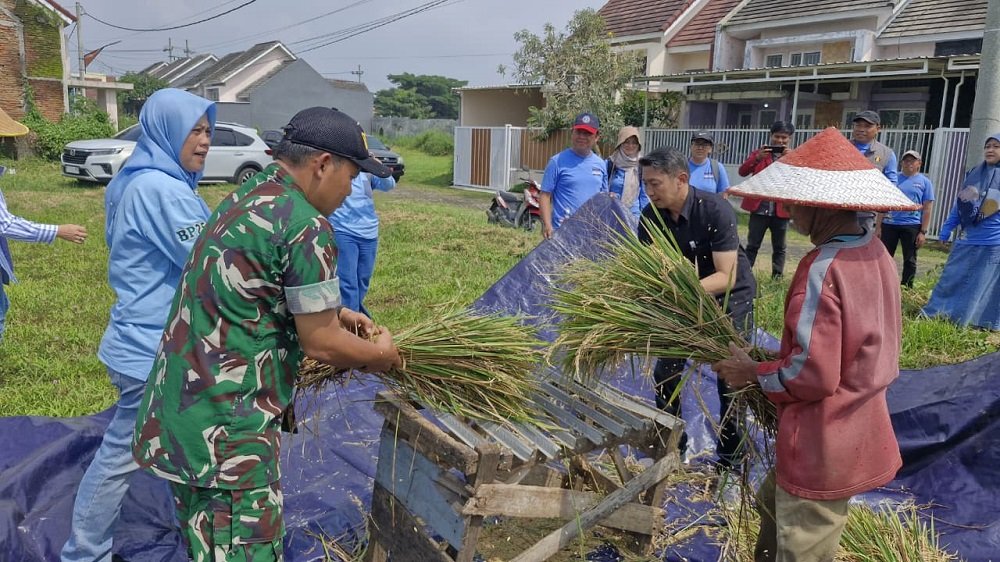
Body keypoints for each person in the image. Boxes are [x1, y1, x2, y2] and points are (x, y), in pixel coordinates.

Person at [132, 107, 402, 561]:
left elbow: (262, 292)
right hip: (228, 438)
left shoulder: (250, 194)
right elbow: (321, 342)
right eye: (352, 177)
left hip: (182, 421)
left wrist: (339, 313)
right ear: (322, 165)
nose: (351, 190)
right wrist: (383, 358)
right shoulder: (306, 225)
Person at [714, 127, 915, 561]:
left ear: (817, 205)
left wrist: (750, 372)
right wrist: (767, 359)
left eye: (791, 202)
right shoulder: (875, 251)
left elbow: (813, 375)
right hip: (859, 423)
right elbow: (851, 347)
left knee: (803, 542)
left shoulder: (823, 268)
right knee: (773, 508)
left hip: (823, 438)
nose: (786, 212)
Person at [60, 88, 212, 562]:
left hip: (137, 336)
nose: (205, 140)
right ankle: (84, 552)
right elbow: (208, 265)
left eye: (208, 129)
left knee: (169, 444)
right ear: (167, 130)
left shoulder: (137, 176)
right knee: (120, 458)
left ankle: (187, 527)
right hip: (152, 349)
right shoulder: (161, 190)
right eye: (195, 130)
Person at [637, 146, 756, 473]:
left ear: (681, 179)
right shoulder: (651, 218)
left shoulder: (715, 210)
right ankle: (673, 450)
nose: (649, 191)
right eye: (645, 183)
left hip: (728, 301)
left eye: (655, 183)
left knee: (730, 382)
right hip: (682, 303)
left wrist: (678, 291)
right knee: (666, 374)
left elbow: (726, 276)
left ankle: (731, 464)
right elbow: (650, 270)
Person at [923, 133, 1000, 330]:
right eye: (988, 145)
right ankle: (936, 313)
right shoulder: (974, 174)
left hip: (993, 243)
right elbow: (961, 204)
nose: (990, 150)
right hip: (967, 238)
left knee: (982, 285)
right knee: (952, 277)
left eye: (996, 146)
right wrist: (947, 227)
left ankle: (979, 323)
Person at [328, 159, 396, 317]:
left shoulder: (368, 170)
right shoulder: (338, 165)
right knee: (347, 282)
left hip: (369, 232)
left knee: (362, 281)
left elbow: (389, 185)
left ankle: (354, 317)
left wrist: (377, 166)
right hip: (343, 230)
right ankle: (352, 327)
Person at [738, 121, 795, 278]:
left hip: (781, 210)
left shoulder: (793, 156)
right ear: (771, 136)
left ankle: (777, 277)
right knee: (752, 245)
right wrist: (757, 158)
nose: (780, 141)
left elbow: (798, 179)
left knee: (780, 247)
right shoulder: (759, 153)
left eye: (784, 138)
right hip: (759, 208)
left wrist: (791, 161)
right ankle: (745, 275)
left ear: (790, 138)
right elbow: (742, 172)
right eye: (777, 136)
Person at [539, 112, 608, 239]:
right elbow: (544, 195)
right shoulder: (557, 161)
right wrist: (547, 225)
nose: (582, 136)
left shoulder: (601, 164)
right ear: (572, 133)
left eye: (587, 133)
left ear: (597, 137)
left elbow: (603, 198)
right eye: (578, 132)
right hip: (562, 232)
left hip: (591, 232)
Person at [879, 149, 935, 287]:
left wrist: (923, 232)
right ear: (901, 163)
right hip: (890, 223)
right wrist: (878, 226)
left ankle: (906, 287)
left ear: (919, 163)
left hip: (911, 225)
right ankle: (885, 285)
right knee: (885, 258)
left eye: (912, 160)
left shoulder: (925, 182)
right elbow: (883, 203)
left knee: (909, 259)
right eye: (906, 160)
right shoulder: (893, 179)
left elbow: (927, 208)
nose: (908, 163)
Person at [605, 125, 649, 227]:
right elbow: (601, 189)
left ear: (639, 145)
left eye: (634, 142)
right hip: (612, 215)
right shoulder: (610, 163)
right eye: (627, 142)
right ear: (620, 143)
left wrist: (646, 220)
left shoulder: (642, 165)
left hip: (633, 216)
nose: (630, 146)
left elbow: (644, 195)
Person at [851, 110, 898, 184]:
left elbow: (892, 183)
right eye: (858, 125)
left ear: (877, 129)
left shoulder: (887, 154)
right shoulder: (842, 148)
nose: (861, 129)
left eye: (867, 126)